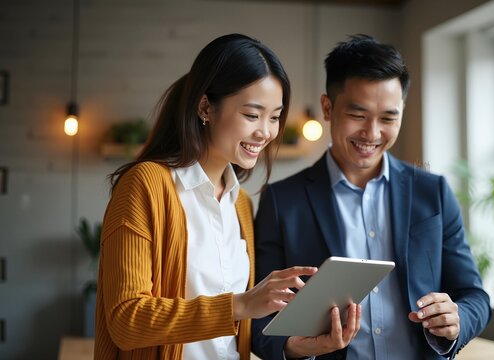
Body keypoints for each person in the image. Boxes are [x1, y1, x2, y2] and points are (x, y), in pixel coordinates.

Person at [94, 33, 359, 360]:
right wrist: (241, 304)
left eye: (274, 117)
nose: (265, 132)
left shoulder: (241, 204)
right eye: (252, 114)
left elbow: (234, 338)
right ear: (206, 107)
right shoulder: (145, 185)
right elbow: (126, 321)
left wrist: (300, 346)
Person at [252, 34, 491, 360]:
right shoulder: (282, 201)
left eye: (389, 117)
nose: (373, 133)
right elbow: (259, 321)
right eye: (358, 115)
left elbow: (474, 296)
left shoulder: (432, 192)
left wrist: (457, 319)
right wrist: (297, 347)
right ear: (327, 108)